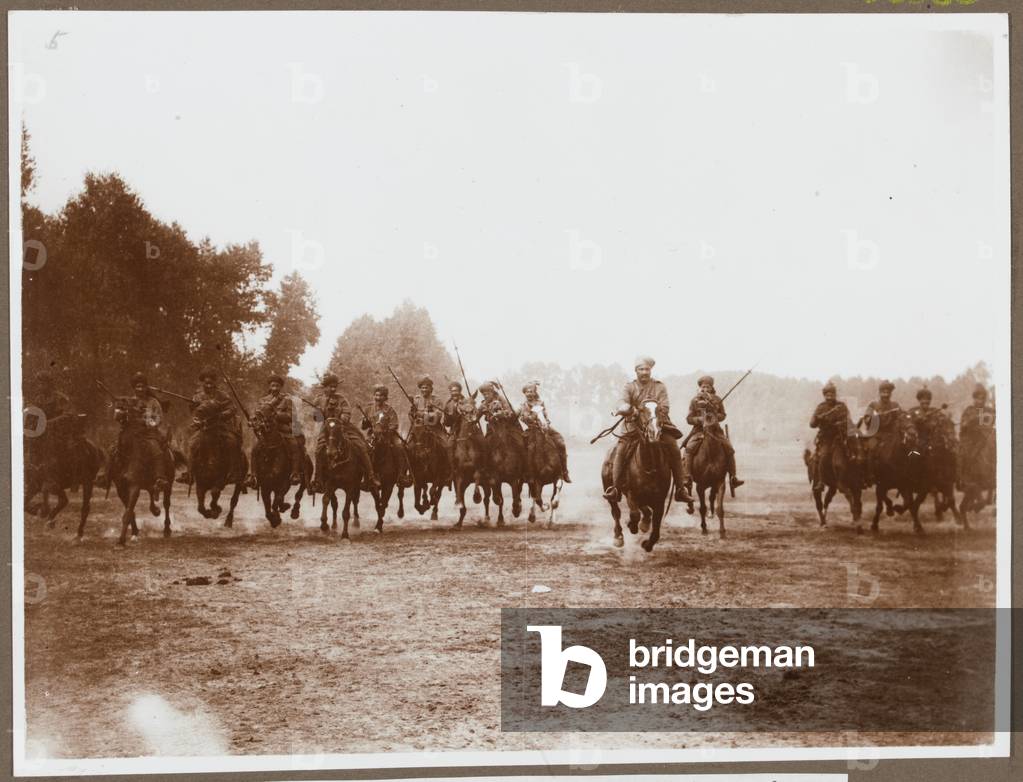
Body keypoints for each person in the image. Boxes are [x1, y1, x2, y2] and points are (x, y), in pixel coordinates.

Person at [602, 357, 692, 503]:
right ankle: (616, 489)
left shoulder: (659, 387)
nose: (644, 372)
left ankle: (681, 489)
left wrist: (654, 412)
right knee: (621, 451)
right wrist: (631, 410)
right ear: (636, 371)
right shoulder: (629, 387)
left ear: (651, 370)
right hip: (633, 427)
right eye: (641, 369)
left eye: (647, 369)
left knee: (674, 449)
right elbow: (621, 402)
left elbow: (665, 406)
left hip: (657, 426)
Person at [309, 373, 379, 492]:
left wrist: (341, 417)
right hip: (327, 430)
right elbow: (317, 419)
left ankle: (371, 477)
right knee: (318, 450)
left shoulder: (341, 399)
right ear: (325, 387)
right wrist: (318, 412)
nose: (333, 389)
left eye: (335, 386)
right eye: (330, 386)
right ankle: (318, 480)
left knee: (362, 446)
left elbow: (347, 413)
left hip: (344, 428)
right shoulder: (319, 400)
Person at [107, 372, 175, 489]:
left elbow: (158, 417)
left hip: (149, 433)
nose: (140, 389)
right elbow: (117, 417)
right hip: (131, 432)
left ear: (146, 387)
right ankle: (106, 476)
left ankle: (160, 477)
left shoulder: (153, 402)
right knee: (112, 449)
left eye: (143, 386)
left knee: (156, 449)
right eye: (138, 386)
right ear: (134, 388)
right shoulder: (127, 401)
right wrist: (121, 412)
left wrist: (146, 422)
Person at [682, 375, 744, 493]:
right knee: (689, 449)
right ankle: (687, 477)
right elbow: (689, 418)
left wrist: (715, 417)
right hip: (699, 431)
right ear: (700, 388)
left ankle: (733, 478)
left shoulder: (717, 399)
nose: (705, 389)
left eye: (708, 387)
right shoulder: (694, 400)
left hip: (715, 431)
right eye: (703, 387)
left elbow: (723, 415)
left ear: (711, 388)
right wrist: (700, 419)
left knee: (729, 449)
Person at [184, 366, 243, 481]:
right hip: (204, 428)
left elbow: (232, 409)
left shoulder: (223, 395)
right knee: (192, 444)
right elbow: (194, 413)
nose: (209, 385)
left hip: (221, 427)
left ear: (214, 382)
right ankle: (189, 473)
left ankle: (233, 472)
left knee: (232, 442)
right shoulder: (197, 397)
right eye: (206, 383)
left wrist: (221, 415)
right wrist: (197, 418)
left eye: (211, 383)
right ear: (203, 383)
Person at [518, 381, 571, 483]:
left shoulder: (541, 403)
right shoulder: (522, 405)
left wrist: (545, 422)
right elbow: (521, 417)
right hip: (532, 430)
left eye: (531, 391)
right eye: (527, 392)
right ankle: (527, 474)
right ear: (524, 393)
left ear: (534, 393)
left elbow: (545, 415)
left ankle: (564, 471)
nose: (529, 393)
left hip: (545, 428)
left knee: (560, 442)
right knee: (527, 449)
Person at [255, 374, 304, 484]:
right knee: (255, 449)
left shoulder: (287, 400)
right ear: (269, 386)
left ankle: (295, 473)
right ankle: (253, 475)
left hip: (282, 429)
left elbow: (290, 416)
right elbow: (258, 414)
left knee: (295, 445)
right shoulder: (263, 400)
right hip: (267, 430)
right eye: (273, 386)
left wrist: (276, 415)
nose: (275, 388)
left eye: (277, 386)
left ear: (280, 387)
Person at [361, 383, 412, 488]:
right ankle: (365, 477)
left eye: (381, 396)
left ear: (385, 397)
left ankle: (401, 475)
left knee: (400, 448)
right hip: (373, 435)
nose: (378, 398)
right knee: (363, 449)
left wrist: (386, 431)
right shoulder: (369, 409)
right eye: (376, 395)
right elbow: (363, 426)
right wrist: (365, 422)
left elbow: (395, 424)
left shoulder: (389, 409)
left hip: (388, 435)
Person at [861, 380, 909, 484]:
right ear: (880, 393)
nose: (885, 395)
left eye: (888, 393)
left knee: (905, 449)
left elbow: (901, 416)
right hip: (876, 434)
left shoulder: (895, 405)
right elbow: (866, 419)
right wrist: (874, 417)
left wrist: (903, 416)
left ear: (890, 394)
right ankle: (870, 475)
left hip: (891, 435)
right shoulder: (873, 404)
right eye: (883, 392)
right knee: (871, 449)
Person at [809, 381, 852, 491]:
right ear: (824, 395)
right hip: (826, 439)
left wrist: (841, 424)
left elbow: (848, 420)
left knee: (847, 458)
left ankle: (845, 482)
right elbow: (812, 424)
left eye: (832, 394)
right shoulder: (820, 407)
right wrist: (817, 419)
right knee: (823, 457)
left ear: (835, 394)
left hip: (839, 438)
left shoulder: (841, 406)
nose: (830, 397)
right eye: (827, 395)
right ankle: (821, 482)